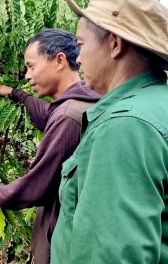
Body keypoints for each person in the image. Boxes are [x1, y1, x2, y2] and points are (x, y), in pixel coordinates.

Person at [50, 0, 168, 263]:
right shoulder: (158, 105)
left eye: (81, 44)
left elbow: (111, 254)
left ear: (114, 44)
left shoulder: (124, 126)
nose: (77, 58)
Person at [0, 28, 101, 264]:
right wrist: (17, 94)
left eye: (31, 66)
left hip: (65, 240)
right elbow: (48, 114)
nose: (27, 75)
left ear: (59, 60)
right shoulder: (85, 102)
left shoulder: (68, 116)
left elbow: (37, 184)